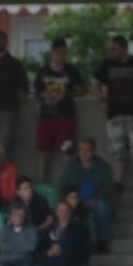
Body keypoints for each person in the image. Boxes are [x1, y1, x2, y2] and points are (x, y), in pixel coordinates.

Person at [94, 35, 133, 190]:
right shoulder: (106, 64)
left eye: (114, 49)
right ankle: (118, 181)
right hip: (114, 112)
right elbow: (95, 82)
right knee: (117, 148)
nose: (111, 52)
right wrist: (100, 100)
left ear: (123, 48)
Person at [32, 40, 85, 181]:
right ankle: (41, 183)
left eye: (65, 52)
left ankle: (69, 183)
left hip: (65, 116)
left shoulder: (71, 70)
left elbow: (81, 90)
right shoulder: (43, 71)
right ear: (53, 52)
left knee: (67, 151)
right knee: (43, 151)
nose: (63, 55)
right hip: (46, 116)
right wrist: (45, 95)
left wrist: (66, 94)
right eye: (60, 52)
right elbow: (36, 91)